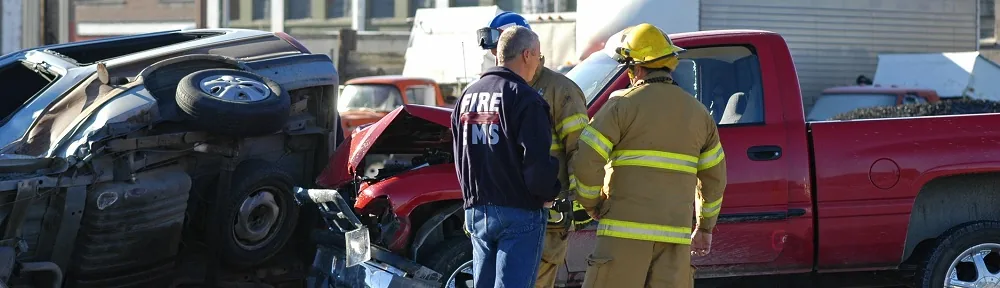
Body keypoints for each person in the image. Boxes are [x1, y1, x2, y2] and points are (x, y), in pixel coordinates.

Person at [570, 23, 728, 288]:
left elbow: (586, 160)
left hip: (622, 238)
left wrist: (592, 204)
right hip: (674, 242)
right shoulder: (700, 114)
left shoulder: (621, 105)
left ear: (637, 68)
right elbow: (715, 180)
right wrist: (704, 228)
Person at [476, 11, 592, 288]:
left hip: (548, 215)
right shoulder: (497, 88)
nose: (498, 58)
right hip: (507, 212)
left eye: (501, 49)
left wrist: (577, 200)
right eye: (494, 52)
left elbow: (581, 150)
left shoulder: (559, 90)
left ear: (526, 51)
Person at [452, 25, 561, 288]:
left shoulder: (467, 96)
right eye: (538, 56)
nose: (539, 63)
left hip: (476, 210)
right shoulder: (525, 98)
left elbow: (459, 153)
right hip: (519, 212)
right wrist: (549, 193)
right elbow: (535, 161)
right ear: (527, 54)